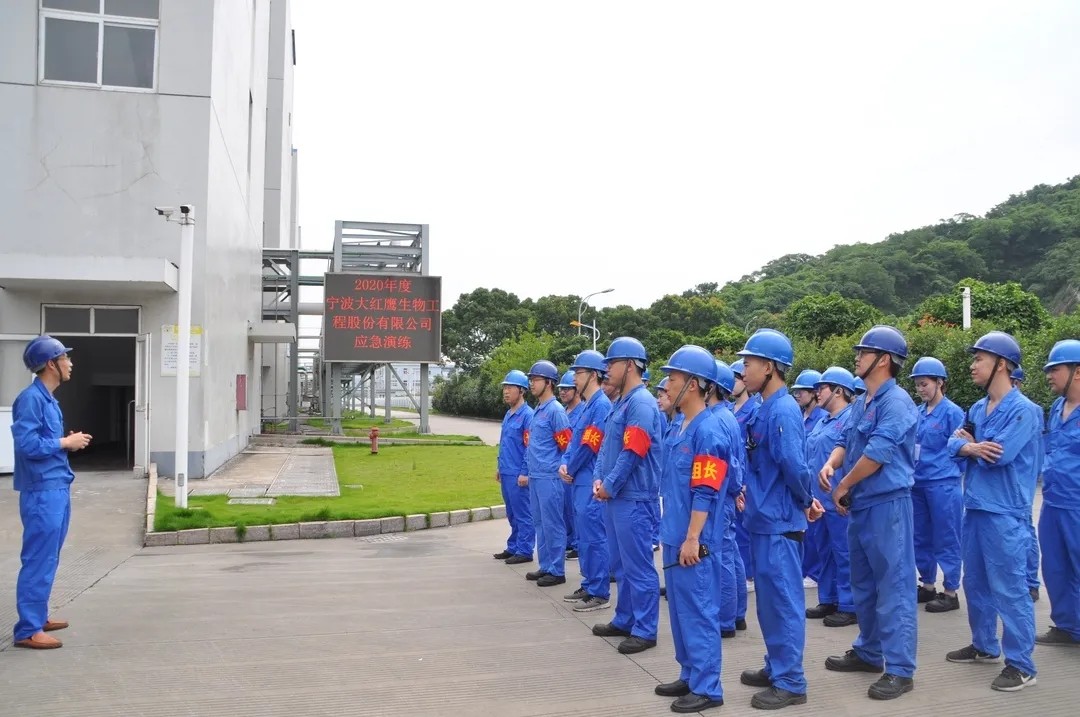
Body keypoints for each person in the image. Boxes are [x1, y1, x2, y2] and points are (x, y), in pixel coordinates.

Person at [819, 325, 919, 701]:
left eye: (865, 352)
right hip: (863, 505)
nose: (857, 356)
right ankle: (869, 651)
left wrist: (842, 486)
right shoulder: (864, 400)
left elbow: (877, 454)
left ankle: (900, 669)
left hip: (888, 504)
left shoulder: (897, 403)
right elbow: (847, 440)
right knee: (864, 585)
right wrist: (832, 463)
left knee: (893, 587)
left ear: (884, 360)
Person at [946, 331, 1040, 692]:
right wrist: (968, 447)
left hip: (1005, 513)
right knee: (977, 582)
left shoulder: (1025, 411)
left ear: (1001, 364)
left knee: (1010, 588)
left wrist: (970, 446)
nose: (972, 366)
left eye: (979, 359)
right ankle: (985, 645)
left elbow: (999, 454)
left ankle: (1022, 664)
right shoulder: (975, 409)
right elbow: (954, 442)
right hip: (977, 508)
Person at [736, 329, 823, 710]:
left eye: (749, 363)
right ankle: (776, 666)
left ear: (769, 367)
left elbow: (793, 465)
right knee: (769, 603)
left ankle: (791, 681)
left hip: (780, 522)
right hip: (763, 518)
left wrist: (806, 500)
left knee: (784, 602)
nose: (744, 370)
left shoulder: (784, 409)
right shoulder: (762, 407)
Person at [652, 346, 730, 713]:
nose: (667, 384)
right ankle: (690, 673)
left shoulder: (709, 430)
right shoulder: (679, 425)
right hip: (674, 534)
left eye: (674, 378)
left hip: (694, 539)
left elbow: (705, 490)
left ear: (695, 385)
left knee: (699, 610)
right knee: (681, 611)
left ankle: (707, 687)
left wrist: (693, 538)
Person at [11, 335, 91, 650]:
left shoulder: (48, 399)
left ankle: (38, 616)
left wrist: (66, 442)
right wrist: (64, 443)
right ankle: (28, 630)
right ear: (51, 364)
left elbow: (43, 443)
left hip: (56, 486)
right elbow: (27, 445)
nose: (71, 363)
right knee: (38, 558)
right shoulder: (31, 399)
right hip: (42, 492)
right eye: (65, 358)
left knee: (49, 556)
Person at [590, 337, 663, 655]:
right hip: (617, 496)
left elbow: (634, 451)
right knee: (621, 566)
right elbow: (609, 447)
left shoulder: (642, 404)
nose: (606, 370)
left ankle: (645, 629)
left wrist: (610, 484)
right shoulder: (622, 402)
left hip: (634, 497)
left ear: (630, 365)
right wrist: (598, 479)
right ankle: (625, 618)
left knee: (638, 566)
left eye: (611, 363)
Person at [908, 357, 965, 613]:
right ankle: (928, 584)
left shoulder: (953, 412)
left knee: (946, 535)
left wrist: (951, 473)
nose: (921, 390)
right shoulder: (918, 412)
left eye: (925, 384)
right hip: (919, 482)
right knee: (921, 536)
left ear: (939, 383)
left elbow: (961, 447)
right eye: (918, 385)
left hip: (943, 483)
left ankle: (951, 591)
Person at [559, 351, 613, 612]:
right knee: (584, 536)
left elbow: (591, 445)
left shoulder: (601, 405)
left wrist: (571, 466)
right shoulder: (587, 406)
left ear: (593, 375)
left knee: (594, 536)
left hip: (588, 478)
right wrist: (565, 462)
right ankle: (589, 583)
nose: (575, 378)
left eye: (579, 373)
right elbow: (573, 441)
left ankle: (599, 591)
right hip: (577, 478)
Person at [804, 367, 857, 627]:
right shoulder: (822, 421)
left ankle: (849, 604)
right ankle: (829, 597)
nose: (817, 392)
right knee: (824, 551)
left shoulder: (850, 419)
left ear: (839, 391)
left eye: (822, 388)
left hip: (839, 500)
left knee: (844, 552)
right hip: (819, 500)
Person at [1035, 339, 1080, 647]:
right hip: (1053, 500)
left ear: (1077, 372)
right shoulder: (1056, 407)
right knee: (1054, 564)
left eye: (1056, 369)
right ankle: (1066, 625)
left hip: (1077, 503)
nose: (1049, 375)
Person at [521, 360, 572, 587]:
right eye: (531, 379)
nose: (532, 383)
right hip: (536, 476)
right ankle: (546, 565)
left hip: (550, 477)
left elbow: (567, 446)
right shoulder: (538, 411)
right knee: (540, 523)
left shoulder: (555, 411)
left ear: (549, 383)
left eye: (536, 380)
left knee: (553, 524)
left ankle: (557, 570)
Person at [708, 360, 748, 637]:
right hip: (727, 494)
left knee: (721, 555)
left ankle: (725, 620)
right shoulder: (726, 415)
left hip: (719, 496)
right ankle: (736, 614)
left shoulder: (717, 419)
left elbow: (730, 466)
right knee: (729, 553)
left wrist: (734, 491)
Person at [494, 370, 535, 565]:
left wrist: (525, 472)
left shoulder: (527, 416)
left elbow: (529, 447)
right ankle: (514, 546)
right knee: (511, 512)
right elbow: (504, 443)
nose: (506, 391)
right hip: (507, 471)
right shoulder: (509, 414)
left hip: (519, 473)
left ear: (522, 390)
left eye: (509, 388)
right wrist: (499, 466)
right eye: (504, 388)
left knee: (523, 513)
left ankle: (525, 549)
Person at [1010, 366, 1044, 602]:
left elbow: (1036, 450)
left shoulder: (1030, 410)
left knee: (1026, 531)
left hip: (1023, 479)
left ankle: (1031, 582)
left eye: (1014, 381)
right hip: (1008, 481)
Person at [793, 368, 826, 586]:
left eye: (802, 392)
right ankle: (807, 569)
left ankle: (814, 573)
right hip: (806, 477)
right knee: (808, 530)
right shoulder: (801, 416)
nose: (798, 395)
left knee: (817, 532)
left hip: (819, 478)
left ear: (814, 393)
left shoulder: (822, 418)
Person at [731, 359, 758, 594]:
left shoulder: (754, 410)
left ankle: (749, 574)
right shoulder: (731, 411)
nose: (732, 383)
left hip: (746, 478)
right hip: (733, 478)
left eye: (737, 377)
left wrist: (747, 482)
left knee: (744, 529)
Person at [558, 371, 582, 561]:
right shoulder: (563, 412)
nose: (563, 392)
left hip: (575, 469)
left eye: (567, 389)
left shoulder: (583, 411)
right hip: (563, 466)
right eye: (561, 389)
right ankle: (568, 540)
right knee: (564, 508)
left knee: (575, 508)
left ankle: (576, 543)